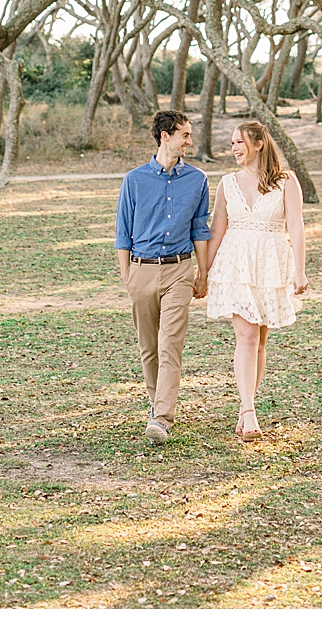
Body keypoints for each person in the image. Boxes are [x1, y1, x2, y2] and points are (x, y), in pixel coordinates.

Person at [207, 120, 308, 440]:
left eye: (239, 142)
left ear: (259, 144)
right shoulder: (227, 183)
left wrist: (300, 270)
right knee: (247, 336)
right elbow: (217, 229)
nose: (234, 148)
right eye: (232, 143)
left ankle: (245, 406)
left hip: (270, 264)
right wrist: (203, 273)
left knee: (260, 340)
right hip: (235, 265)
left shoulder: (286, 181)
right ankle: (249, 412)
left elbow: (297, 226)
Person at [115, 110, 212, 444]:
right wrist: (128, 276)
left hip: (179, 270)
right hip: (141, 270)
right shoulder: (134, 180)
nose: (190, 140)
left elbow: (201, 229)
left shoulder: (198, 180)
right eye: (184, 134)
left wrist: (203, 272)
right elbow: (122, 233)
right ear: (165, 136)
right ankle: (157, 405)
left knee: (171, 344)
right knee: (149, 348)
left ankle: (161, 417)